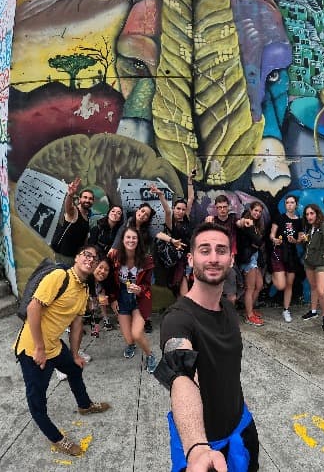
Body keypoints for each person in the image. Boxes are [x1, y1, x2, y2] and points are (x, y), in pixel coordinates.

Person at [154, 222, 260, 472]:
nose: (213, 258)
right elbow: (182, 377)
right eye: (205, 250)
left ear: (231, 260)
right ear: (190, 259)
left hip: (241, 425)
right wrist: (197, 447)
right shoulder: (178, 319)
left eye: (221, 250)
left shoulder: (229, 309)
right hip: (205, 448)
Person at [13, 244, 110, 456]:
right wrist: (39, 348)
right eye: (87, 254)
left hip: (54, 345)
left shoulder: (84, 289)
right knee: (37, 401)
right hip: (32, 348)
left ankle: (84, 405)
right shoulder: (59, 276)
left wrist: (75, 354)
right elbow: (33, 308)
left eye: (95, 259)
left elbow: (76, 324)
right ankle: (57, 439)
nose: (91, 260)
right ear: (76, 256)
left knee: (74, 369)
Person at [109, 226, 158, 373]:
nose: (131, 240)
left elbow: (148, 285)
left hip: (139, 298)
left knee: (137, 333)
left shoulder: (146, 260)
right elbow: (108, 280)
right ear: (122, 240)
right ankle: (131, 345)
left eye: (134, 238)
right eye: (128, 237)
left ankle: (150, 355)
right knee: (129, 339)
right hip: (122, 296)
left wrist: (140, 289)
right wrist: (112, 299)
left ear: (138, 241)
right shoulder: (114, 256)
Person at [110, 203, 157, 332]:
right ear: (137, 210)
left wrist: (170, 240)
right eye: (142, 211)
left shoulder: (147, 229)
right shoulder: (126, 224)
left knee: (144, 291)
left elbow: (158, 235)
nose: (143, 215)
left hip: (142, 263)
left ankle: (146, 319)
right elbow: (119, 237)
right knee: (125, 289)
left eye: (146, 214)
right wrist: (113, 248)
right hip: (126, 260)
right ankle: (127, 316)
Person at [204, 194, 250, 304]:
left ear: (228, 207)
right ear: (216, 208)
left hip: (230, 263)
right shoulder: (212, 221)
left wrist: (244, 222)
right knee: (214, 295)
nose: (222, 210)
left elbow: (240, 223)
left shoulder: (233, 218)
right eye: (219, 207)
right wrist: (207, 224)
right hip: (214, 263)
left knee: (231, 296)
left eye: (224, 207)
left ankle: (230, 319)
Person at [154, 176, 195, 297]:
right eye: (178, 209)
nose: (180, 211)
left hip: (189, 257)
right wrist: (161, 195)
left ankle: (182, 309)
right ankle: (184, 310)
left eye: (183, 209)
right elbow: (167, 210)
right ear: (174, 209)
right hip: (177, 260)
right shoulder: (170, 222)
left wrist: (189, 180)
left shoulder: (186, 219)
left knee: (186, 282)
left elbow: (191, 198)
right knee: (181, 283)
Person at [299, 204, 324, 331]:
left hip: (322, 262)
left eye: (311, 213)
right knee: (313, 287)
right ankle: (313, 311)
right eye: (307, 214)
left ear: (317, 214)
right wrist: (304, 239)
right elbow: (310, 243)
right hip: (309, 262)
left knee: (321, 291)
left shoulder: (322, 225)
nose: (309, 216)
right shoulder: (310, 228)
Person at [269, 195, 303, 322]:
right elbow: (271, 234)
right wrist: (275, 239)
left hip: (292, 254)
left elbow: (300, 239)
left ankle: (286, 310)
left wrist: (295, 240)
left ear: (296, 204)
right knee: (281, 285)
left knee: (289, 284)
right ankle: (272, 274)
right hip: (278, 252)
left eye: (292, 202)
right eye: (287, 203)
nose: (289, 205)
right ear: (285, 205)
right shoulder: (280, 217)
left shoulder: (299, 221)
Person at [237, 201, 266, 327]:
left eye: (260, 212)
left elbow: (258, 242)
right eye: (256, 210)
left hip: (254, 256)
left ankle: (248, 310)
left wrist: (256, 242)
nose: (258, 213)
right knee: (250, 288)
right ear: (250, 209)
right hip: (248, 259)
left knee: (259, 285)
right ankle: (249, 316)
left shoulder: (255, 224)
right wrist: (256, 242)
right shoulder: (247, 222)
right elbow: (258, 241)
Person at [51, 178, 94, 265]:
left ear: (93, 201)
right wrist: (70, 195)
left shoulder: (87, 217)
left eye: (90, 198)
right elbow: (68, 208)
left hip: (74, 257)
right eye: (85, 197)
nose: (87, 200)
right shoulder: (74, 211)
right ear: (79, 199)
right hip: (63, 255)